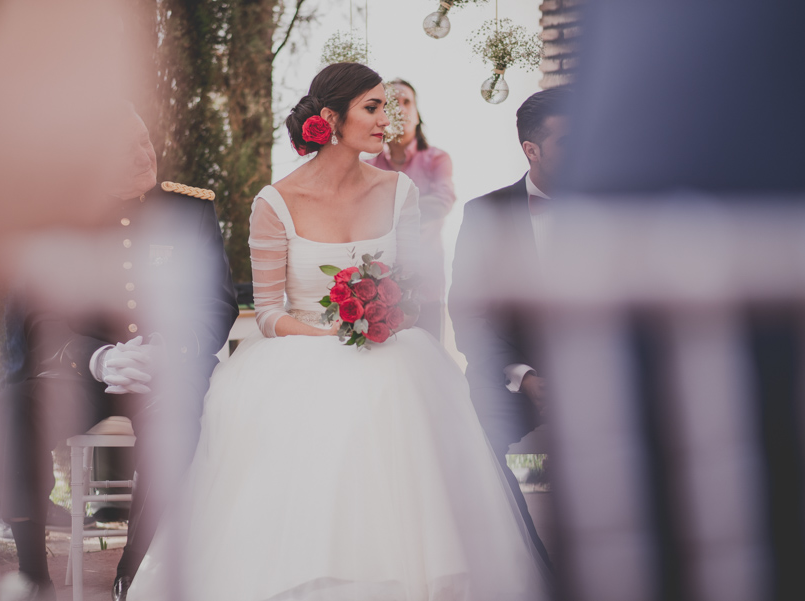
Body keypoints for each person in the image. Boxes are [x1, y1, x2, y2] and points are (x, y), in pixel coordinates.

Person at [127, 62, 551, 601]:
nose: (387, 119)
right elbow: (267, 312)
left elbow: (415, 294)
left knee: (395, 396)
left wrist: (387, 314)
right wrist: (327, 336)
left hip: (390, 348)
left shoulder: (401, 193)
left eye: (389, 107)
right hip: (300, 349)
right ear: (331, 118)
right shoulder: (274, 202)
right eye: (372, 107)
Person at [0, 107, 239, 601]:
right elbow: (38, 314)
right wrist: (100, 358)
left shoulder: (187, 210)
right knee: (14, 410)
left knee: (177, 419)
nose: (143, 155)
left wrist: (171, 349)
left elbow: (217, 300)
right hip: (78, 376)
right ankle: (31, 577)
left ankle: (131, 574)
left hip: (164, 377)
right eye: (124, 149)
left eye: (145, 141)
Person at [449, 88, 572, 569]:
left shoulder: (616, 204)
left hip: (600, 369)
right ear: (531, 150)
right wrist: (522, 376)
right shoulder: (485, 213)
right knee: (470, 437)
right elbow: (469, 310)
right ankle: (530, 565)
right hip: (516, 373)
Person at [365, 79, 456, 340]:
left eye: (407, 102)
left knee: (428, 366)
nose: (401, 109)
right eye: (393, 103)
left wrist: (383, 210)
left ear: (417, 114)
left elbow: (441, 203)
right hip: (378, 288)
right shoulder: (369, 165)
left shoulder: (436, 159)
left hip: (425, 286)